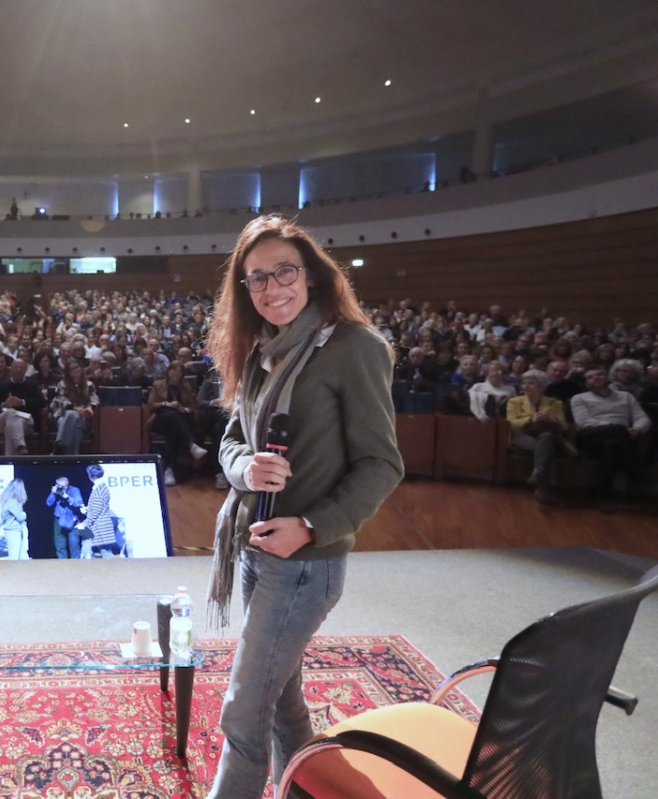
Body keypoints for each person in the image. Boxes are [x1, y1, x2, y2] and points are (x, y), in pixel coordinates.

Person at [204, 216, 403, 797]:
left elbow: (381, 464)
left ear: (311, 275)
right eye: (257, 278)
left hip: (304, 564)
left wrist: (312, 527)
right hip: (254, 548)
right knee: (281, 697)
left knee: (245, 709)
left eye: (284, 272)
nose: (272, 289)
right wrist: (246, 467)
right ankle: (308, 791)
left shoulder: (355, 348)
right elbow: (231, 441)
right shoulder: (261, 350)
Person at [570, 368, 654, 514]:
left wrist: (638, 429)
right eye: (590, 377)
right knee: (618, 430)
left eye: (599, 374)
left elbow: (642, 417)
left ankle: (603, 496)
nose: (596, 377)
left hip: (621, 439)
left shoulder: (625, 396)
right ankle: (640, 479)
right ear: (586, 384)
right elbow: (584, 422)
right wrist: (615, 428)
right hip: (591, 436)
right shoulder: (579, 398)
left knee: (612, 446)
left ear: (608, 378)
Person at [506, 370, 573, 505]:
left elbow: (564, 427)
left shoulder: (555, 403)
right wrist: (531, 419)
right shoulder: (514, 401)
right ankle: (541, 484)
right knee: (546, 447)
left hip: (550, 437)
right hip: (523, 436)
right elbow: (511, 423)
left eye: (531, 383)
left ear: (541, 386)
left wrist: (551, 418)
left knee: (546, 438)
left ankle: (537, 475)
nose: (526, 386)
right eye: (524, 383)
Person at [145, 361, 208, 485]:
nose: (176, 373)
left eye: (179, 371)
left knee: (173, 431)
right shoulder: (158, 385)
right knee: (171, 416)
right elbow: (150, 405)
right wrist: (166, 404)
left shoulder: (186, 387)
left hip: (179, 421)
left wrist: (184, 409)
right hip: (161, 419)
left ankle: (168, 470)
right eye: (173, 370)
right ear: (168, 371)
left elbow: (193, 408)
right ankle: (191, 444)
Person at [0, 356, 44, 455]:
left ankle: (15, 453)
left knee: (10, 427)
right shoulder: (1, 385)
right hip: (2, 421)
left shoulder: (32, 384)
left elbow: (41, 402)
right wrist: (3, 404)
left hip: (25, 422)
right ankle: (20, 445)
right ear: (10, 369)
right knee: (11, 412)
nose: (18, 370)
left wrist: (22, 402)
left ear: (25, 370)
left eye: (21, 368)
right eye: (16, 367)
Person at [49, 359, 98, 454]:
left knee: (74, 420)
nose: (75, 370)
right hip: (63, 415)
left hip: (82, 417)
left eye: (77, 367)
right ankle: (73, 457)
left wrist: (90, 408)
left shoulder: (89, 385)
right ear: (68, 372)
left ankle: (58, 446)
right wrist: (75, 409)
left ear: (81, 368)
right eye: (72, 369)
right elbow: (62, 401)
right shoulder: (62, 384)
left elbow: (94, 399)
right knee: (73, 419)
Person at [76, 463, 120, 558]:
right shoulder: (101, 487)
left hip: (99, 525)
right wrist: (88, 509)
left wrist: (84, 524)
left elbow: (96, 512)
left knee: (103, 551)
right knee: (98, 550)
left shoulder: (99, 490)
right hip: (99, 524)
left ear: (89, 475)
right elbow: (98, 506)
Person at [46, 475, 85, 559]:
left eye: (64, 486)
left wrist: (66, 496)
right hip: (59, 520)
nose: (62, 488)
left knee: (74, 544)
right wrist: (53, 493)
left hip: (72, 520)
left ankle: (76, 564)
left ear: (68, 485)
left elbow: (79, 503)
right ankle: (62, 563)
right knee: (60, 545)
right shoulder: (56, 491)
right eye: (60, 486)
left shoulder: (74, 490)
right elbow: (48, 503)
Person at [0, 478, 30, 559]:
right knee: (14, 557)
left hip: (15, 531)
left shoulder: (8, 501)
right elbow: (20, 517)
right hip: (13, 532)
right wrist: (24, 514)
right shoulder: (12, 502)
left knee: (22, 557)